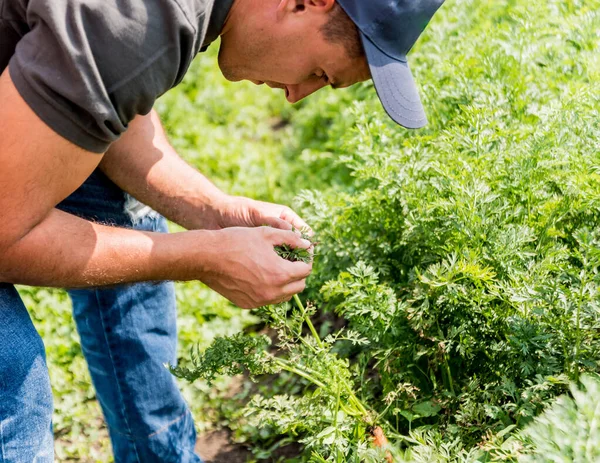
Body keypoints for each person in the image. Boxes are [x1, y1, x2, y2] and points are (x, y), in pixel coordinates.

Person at [0, 0, 444, 461]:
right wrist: (202, 256)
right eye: (319, 73)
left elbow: (105, 96)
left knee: (124, 209)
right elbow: (4, 238)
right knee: (11, 378)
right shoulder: (144, 17)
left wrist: (215, 212)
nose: (296, 96)